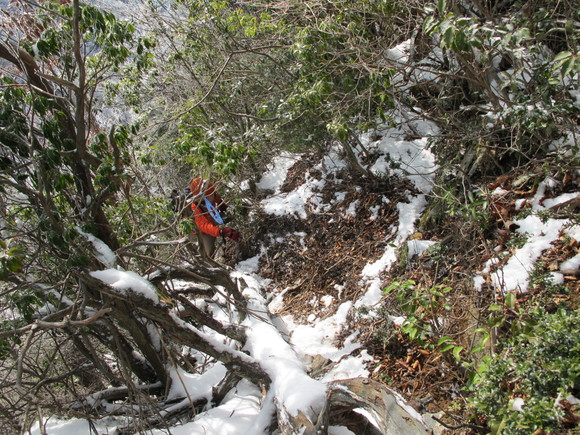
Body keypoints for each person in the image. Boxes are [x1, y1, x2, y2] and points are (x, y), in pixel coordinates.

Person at [189, 178, 240, 257]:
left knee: (228, 216)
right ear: (201, 198)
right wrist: (221, 232)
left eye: (212, 193)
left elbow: (217, 197)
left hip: (211, 218)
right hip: (199, 231)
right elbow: (204, 226)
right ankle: (208, 264)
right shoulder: (194, 207)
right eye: (209, 195)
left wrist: (222, 205)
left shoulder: (212, 193)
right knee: (209, 252)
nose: (212, 196)